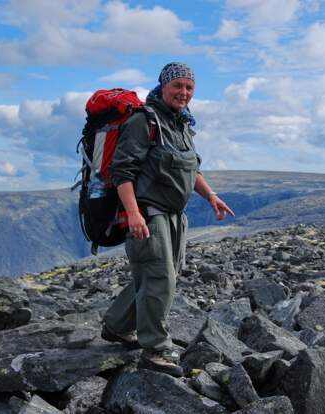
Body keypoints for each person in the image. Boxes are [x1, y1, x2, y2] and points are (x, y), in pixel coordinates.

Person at [101, 62, 235, 377]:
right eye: (178, 86)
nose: (184, 93)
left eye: (189, 87)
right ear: (164, 86)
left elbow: (191, 169)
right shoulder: (144, 121)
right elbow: (122, 171)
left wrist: (211, 196)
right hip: (148, 213)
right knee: (161, 278)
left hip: (175, 215)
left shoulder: (181, 124)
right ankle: (155, 350)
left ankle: (117, 325)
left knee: (160, 275)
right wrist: (133, 213)